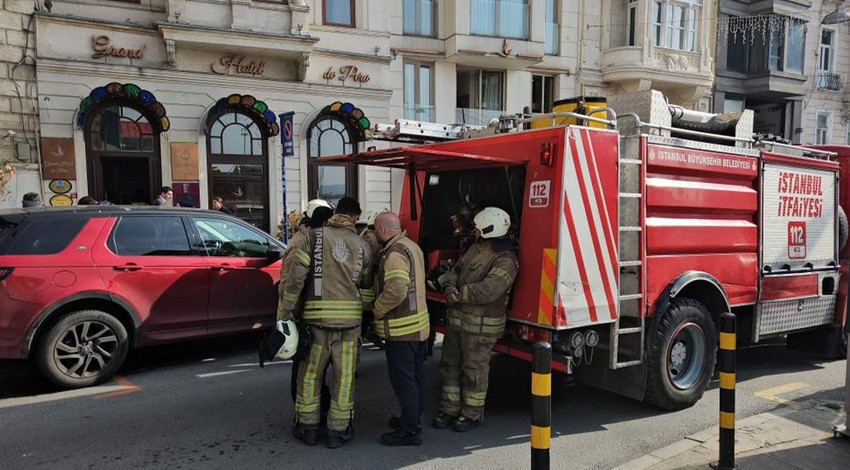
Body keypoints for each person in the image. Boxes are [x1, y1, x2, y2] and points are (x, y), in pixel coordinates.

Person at [278, 196, 371, 449]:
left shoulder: (313, 237)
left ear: (335, 213)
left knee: (309, 376)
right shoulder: (362, 244)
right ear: (354, 218)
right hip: (350, 326)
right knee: (344, 379)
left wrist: (285, 314)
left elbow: (296, 279)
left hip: (317, 324)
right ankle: (337, 432)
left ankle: (307, 428)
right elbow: (365, 281)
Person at [433, 207, 519, 432]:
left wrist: (458, 294)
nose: (475, 231)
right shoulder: (475, 248)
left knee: (474, 371)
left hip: (480, 328)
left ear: (490, 228)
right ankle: (449, 410)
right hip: (458, 321)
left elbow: (490, 290)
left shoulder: (506, 258)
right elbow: (455, 269)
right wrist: (449, 285)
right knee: (449, 366)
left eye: (479, 228)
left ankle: (471, 414)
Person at [371, 211, 429, 446]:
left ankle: (410, 430)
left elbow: (396, 290)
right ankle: (411, 418)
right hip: (417, 328)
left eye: (375, 229)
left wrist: (376, 309)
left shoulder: (394, 253)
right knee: (415, 377)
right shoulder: (410, 246)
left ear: (383, 230)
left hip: (401, 330)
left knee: (403, 380)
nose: (374, 234)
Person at [279, 199, 334, 407]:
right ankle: (304, 410)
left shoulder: (310, 239)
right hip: (299, 313)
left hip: (304, 312)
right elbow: (291, 283)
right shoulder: (303, 242)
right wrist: (290, 312)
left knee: (309, 366)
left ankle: (313, 405)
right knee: (303, 367)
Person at [359, 209, 387, 344]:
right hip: (370, 289)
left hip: (364, 290)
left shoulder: (365, 238)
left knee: (363, 322)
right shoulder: (379, 240)